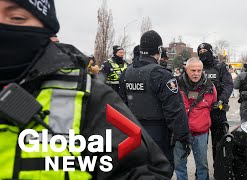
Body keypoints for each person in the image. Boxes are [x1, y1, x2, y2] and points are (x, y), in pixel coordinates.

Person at [0, 1, 173, 179]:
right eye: (119, 51)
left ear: (46, 27)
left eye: (16, 17)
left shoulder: (89, 98)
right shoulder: (116, 66)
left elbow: (142, 168)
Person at [119, 30, 191, 176]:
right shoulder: (161, 75)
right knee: (160, 172)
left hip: (133, 133)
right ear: (158, 50)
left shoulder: (126, 73)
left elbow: (121, 106)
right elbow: (175, 110)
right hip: (158, 134)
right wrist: (183, 137)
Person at [174, 58, 217, 180]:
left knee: (202, 164)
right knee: (179, 164)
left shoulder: (210, 86)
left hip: (201, 133)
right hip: (180, 132)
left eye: (199, 70)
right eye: (193, 70)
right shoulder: (175, 84)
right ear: (186, 69)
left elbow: (213, 103)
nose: (196, 73)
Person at [197, 43, 233, 173]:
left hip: (218, 111)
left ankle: (219, 170)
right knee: (200, 145)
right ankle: (201, 172)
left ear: (210, 51)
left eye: (205, 50)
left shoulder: (220, 67)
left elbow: (229, 85)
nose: (202, 52)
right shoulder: (197, 68)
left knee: (219, 144)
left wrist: (222, 99)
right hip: (201, 112)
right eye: (200, 50)